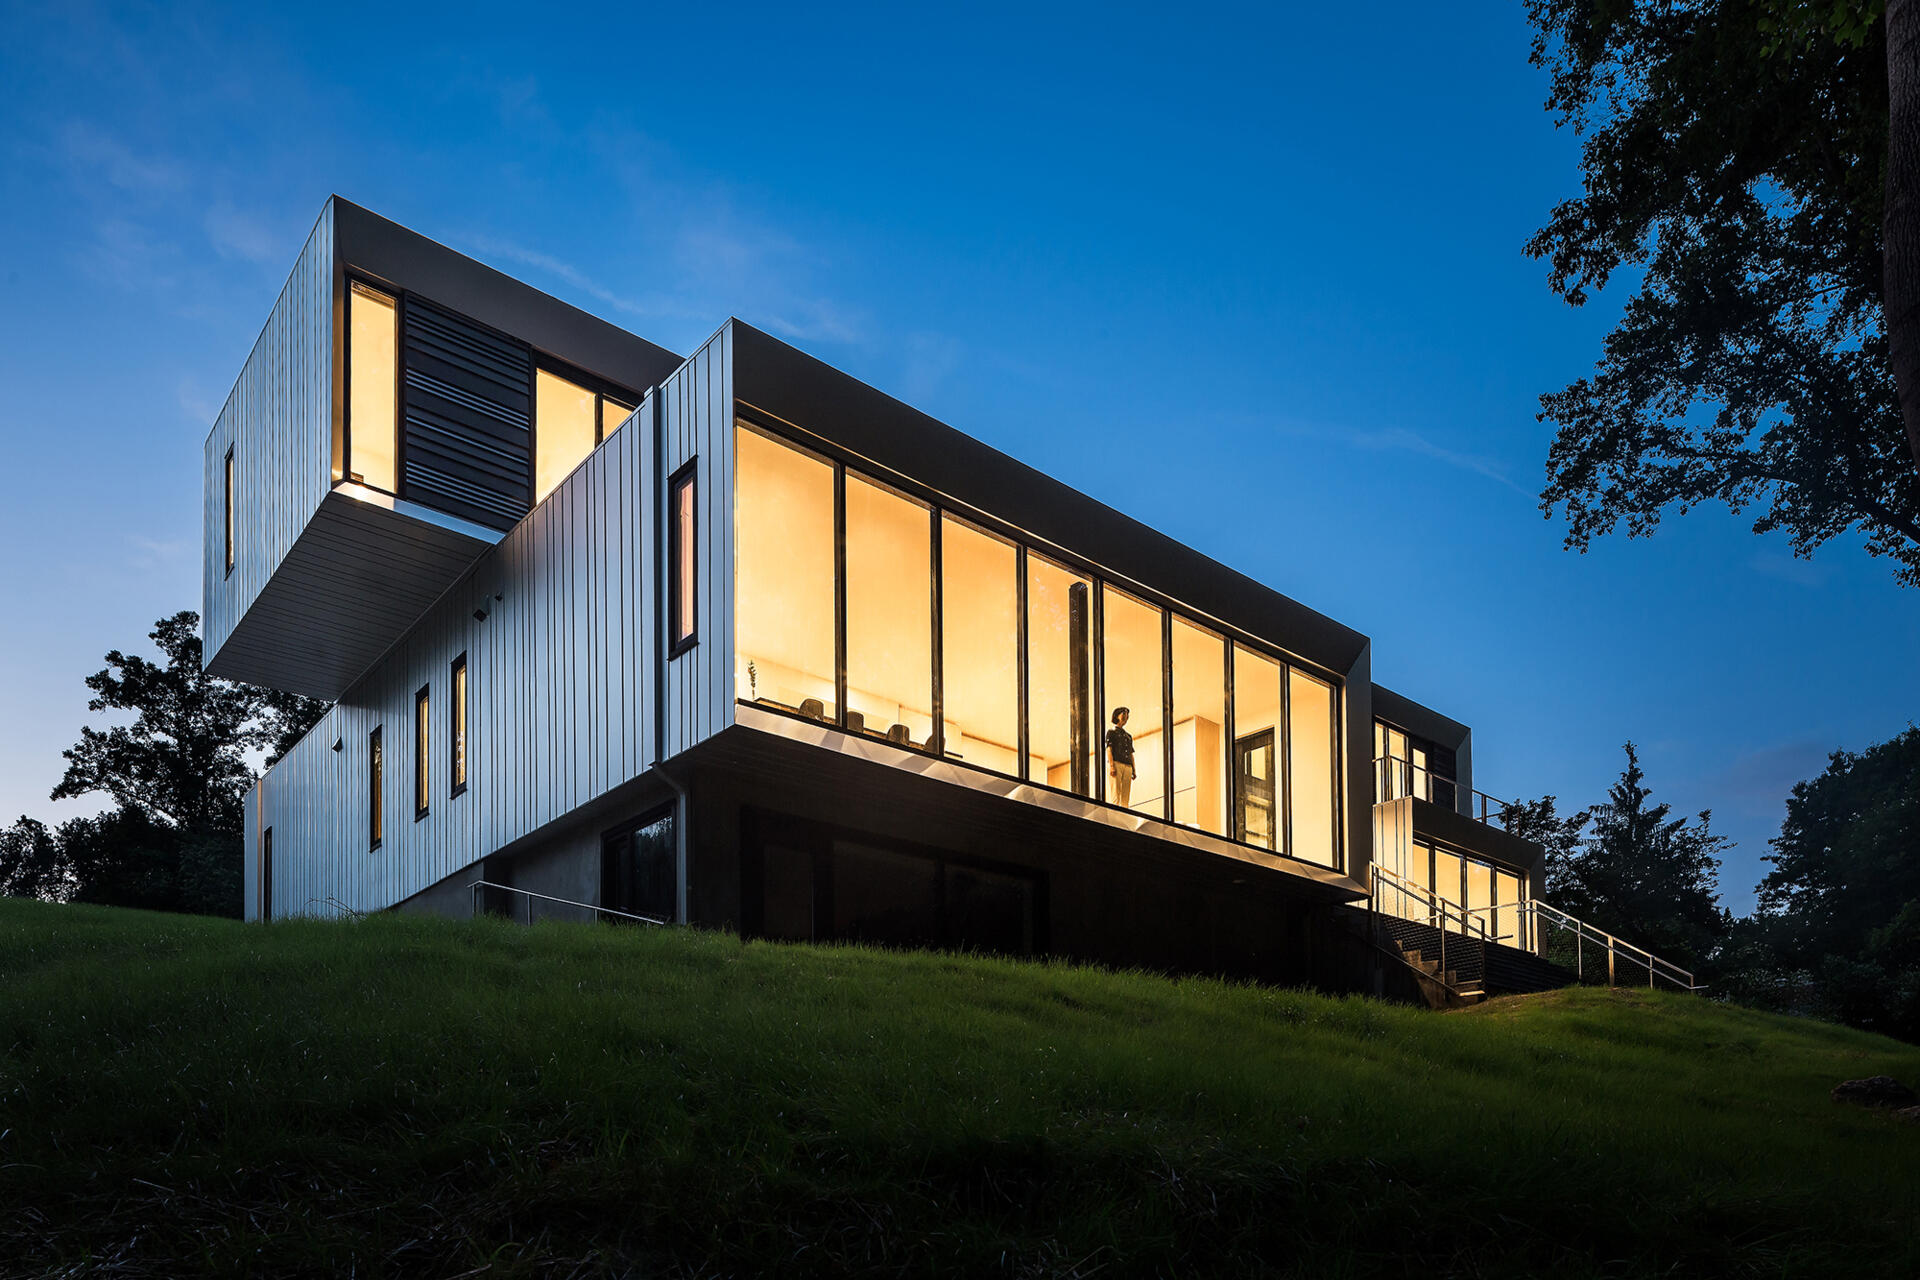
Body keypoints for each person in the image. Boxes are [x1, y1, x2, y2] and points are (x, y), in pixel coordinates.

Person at [1106, 706, 1134, 808]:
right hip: (1117, 763)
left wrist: (1133, 769)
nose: (1126, 717)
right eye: (1123, 714)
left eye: (1127, 715)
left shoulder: (1128, 736)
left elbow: (1131, 753)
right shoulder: (1111, 732)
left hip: (1127, 765)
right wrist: (1112, 765)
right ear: (1117, 716)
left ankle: (1125, 811)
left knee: (1126, 794)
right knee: (1116, 793)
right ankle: (1115, 812)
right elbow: (1109, 749)